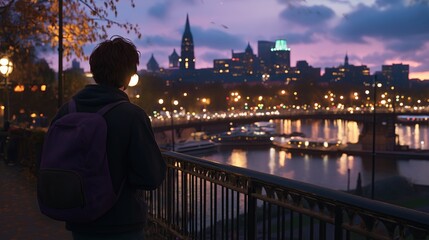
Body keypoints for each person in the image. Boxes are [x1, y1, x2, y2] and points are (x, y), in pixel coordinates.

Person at [50, 36, 166, 239]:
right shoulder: (132, 115)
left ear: (94, 71)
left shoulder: (66, 111)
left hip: (79, 220)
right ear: (129, 76)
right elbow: (150, 177)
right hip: (122, 224)